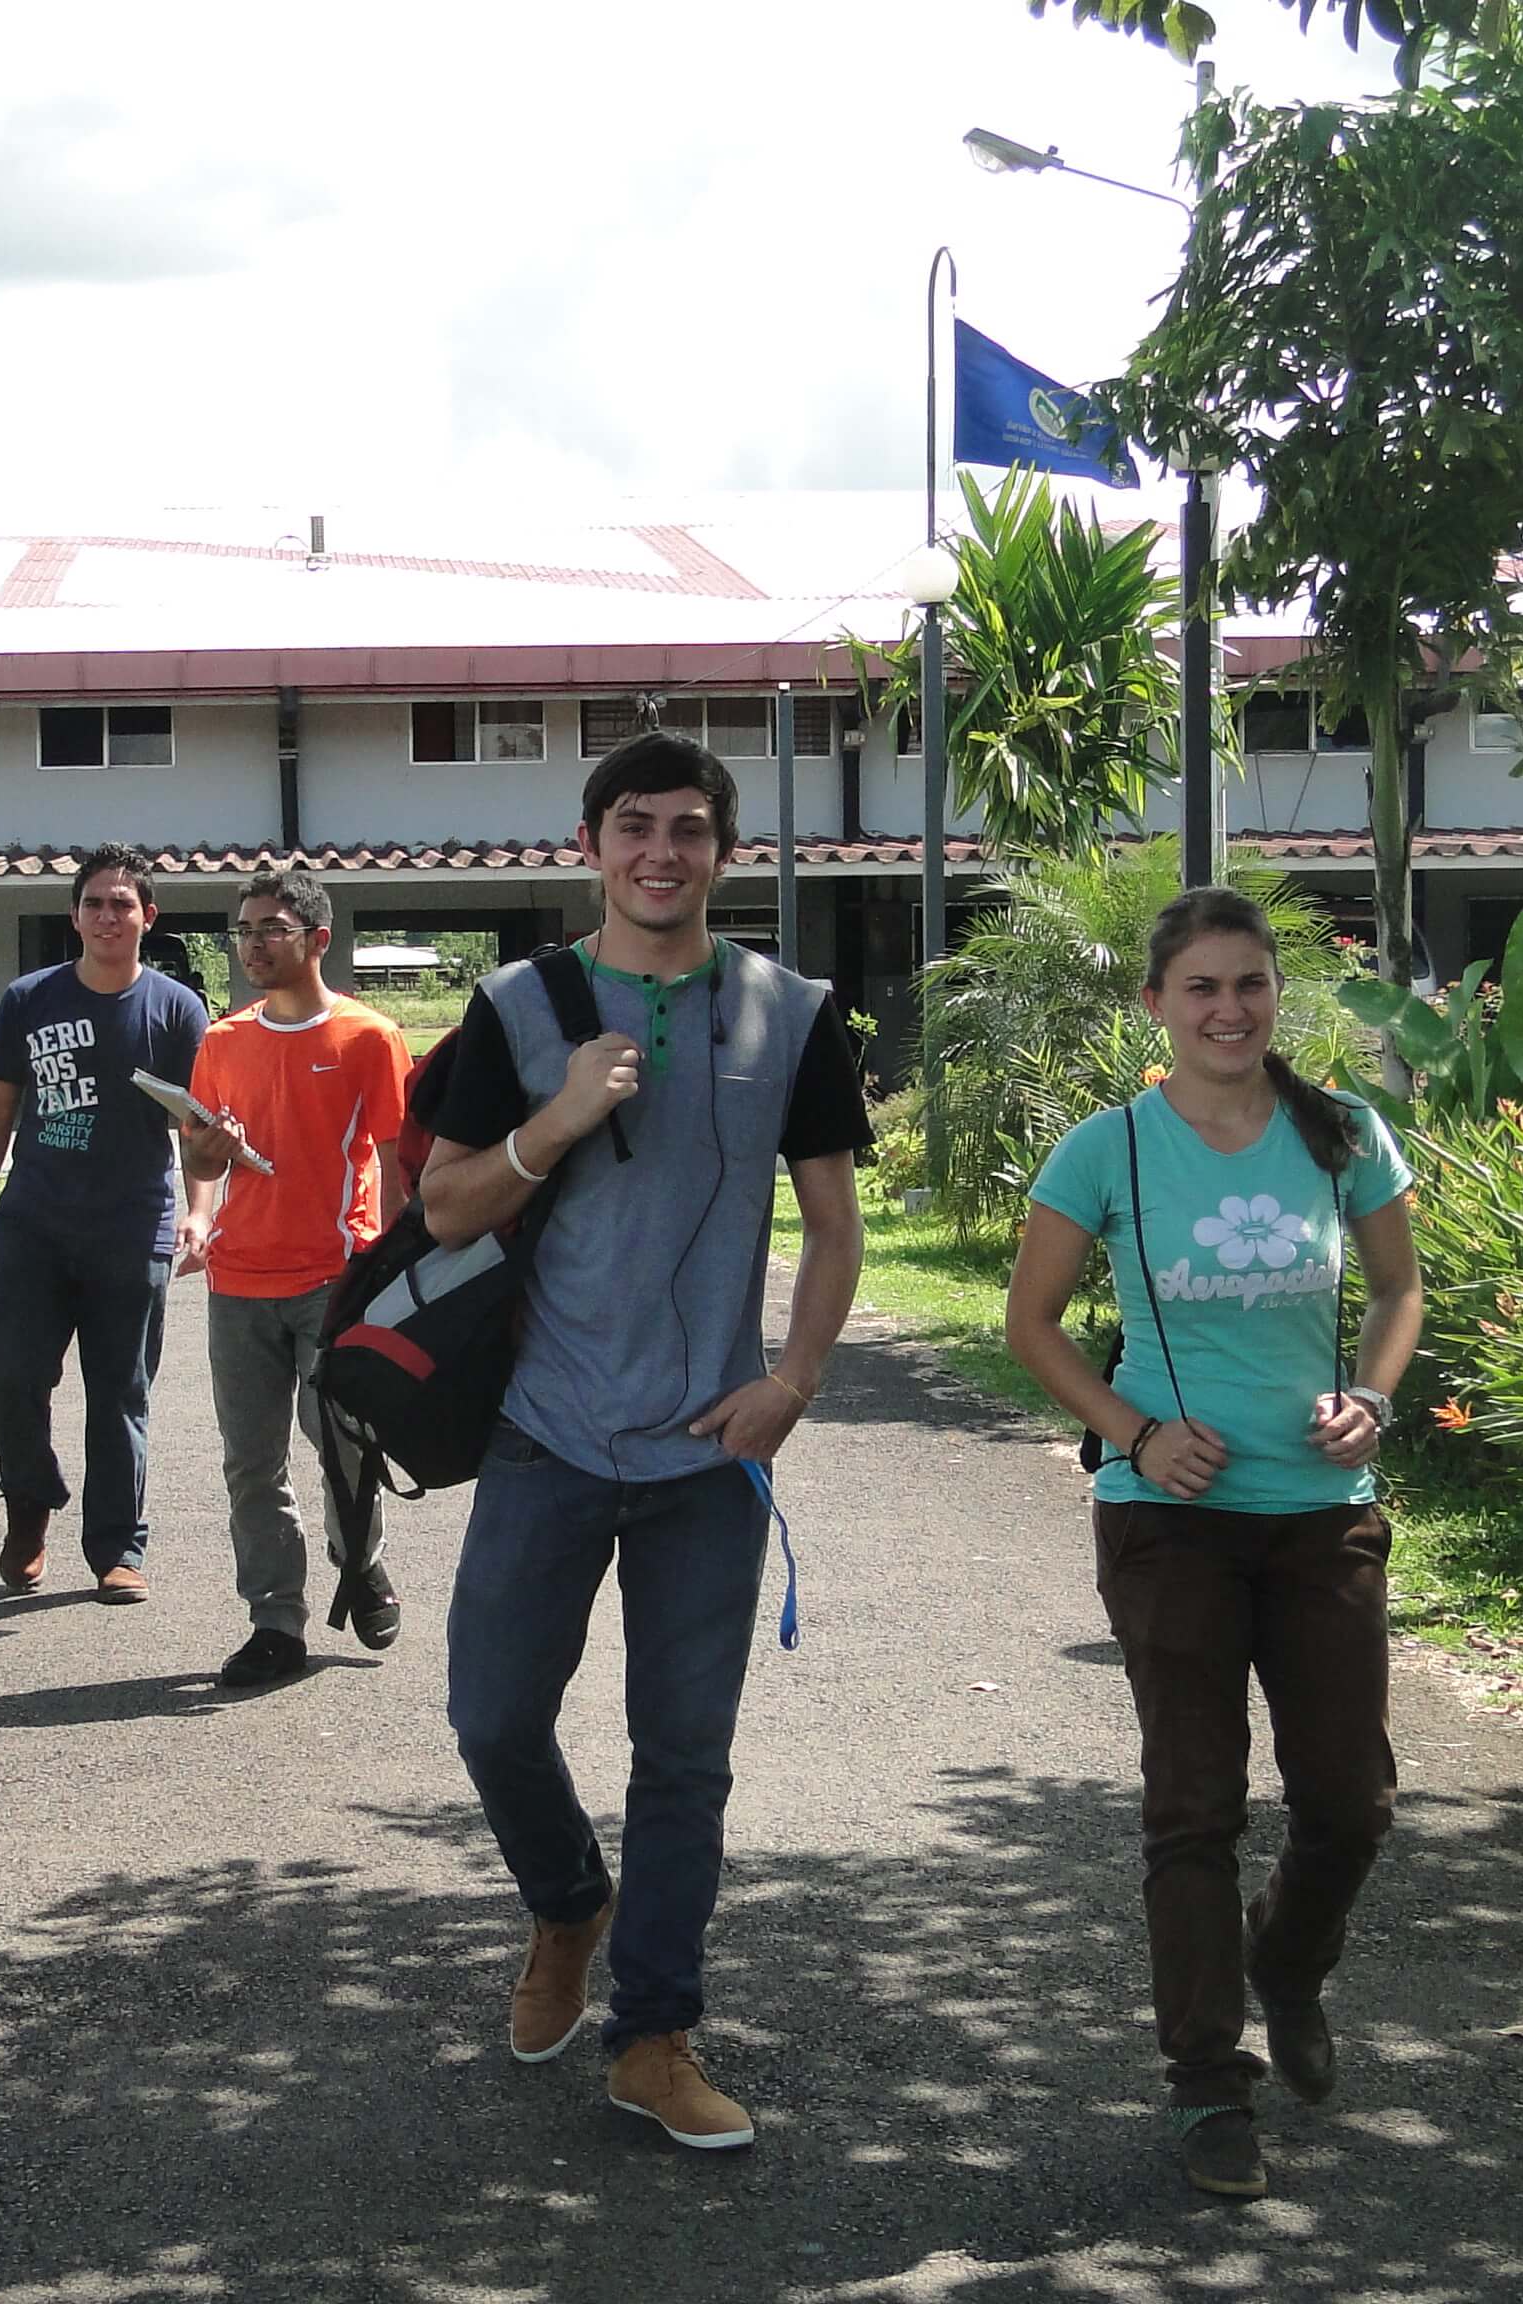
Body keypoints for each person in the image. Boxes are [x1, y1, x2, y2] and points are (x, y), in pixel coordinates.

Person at [416, 729, 869, 2151]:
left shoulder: (789, 1013)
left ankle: (655, 2034)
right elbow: (442, 1207)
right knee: (492, 1715)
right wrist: (552, 1122)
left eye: (688, 828)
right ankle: (566, 1904)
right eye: (634, 826)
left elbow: (837, 1223)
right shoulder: (518, 1006)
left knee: (685, 1757)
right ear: (592, 845)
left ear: (722, 850)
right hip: (547, 1432)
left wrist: (791, 1379)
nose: (660, 852)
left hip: (707, 1456)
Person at [1002, 885, 1423, 2201]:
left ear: (1275, 997)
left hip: (1319, 1514)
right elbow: (1035, 1324)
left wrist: (1374, 1397)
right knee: (1195, 1803)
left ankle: (1287, 1963)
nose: (1229, 1009)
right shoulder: (1109, 1150)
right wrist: (1134, 1435)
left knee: (1349, 1802)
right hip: (1168, 1522)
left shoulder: (1341, 1133)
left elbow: (1401, 1289)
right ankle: (1205, 2083)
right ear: (1158, 1006)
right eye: (1201, 988)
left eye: (1250, 985)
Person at [173, 867, 412, 1690]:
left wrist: (412, 1260)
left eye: (269, 928)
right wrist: (199, 1213)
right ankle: (276, 1622)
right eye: (243, 930)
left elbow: (400, 1155)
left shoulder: (368, 1038)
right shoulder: (222, 1041)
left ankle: (362, 1565)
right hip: (238, 1284)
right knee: (251, 1463)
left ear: (317, 939)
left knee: (344, 1443)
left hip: (335, 1278)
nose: (251, 944)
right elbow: (200, 1152)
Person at [0, 845, 210, 1601]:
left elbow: (200, 1128)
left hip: (132, 1226)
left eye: (123, 904)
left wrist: (199, 1213)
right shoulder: (29, 999)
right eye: (95, 903)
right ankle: (28, 1501)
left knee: (120, 1389)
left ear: (148, 917)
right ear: (75, 916)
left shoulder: (176, 1009)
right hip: (35, 1221)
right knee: (7, 1365)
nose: (108, 916)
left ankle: (117, 1548)